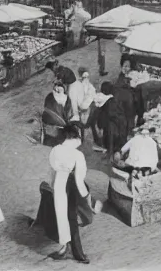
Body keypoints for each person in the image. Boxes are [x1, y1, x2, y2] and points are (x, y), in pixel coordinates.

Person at [44, 125, 92, 264]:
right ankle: (77, 252)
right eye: (77, 137)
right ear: (73, 137)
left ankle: (65, 246)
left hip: (59, 182)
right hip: (71, 185)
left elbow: (53, 167)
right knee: (71, 218)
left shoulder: (55, 150)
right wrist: (86, 194)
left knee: (61, 216)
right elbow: (79, 178)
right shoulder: (78, 155)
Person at [100, 81, 134, 157]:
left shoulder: (113, 96)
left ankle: (113, 152)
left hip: (117, 117)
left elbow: (112, 111)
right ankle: (120, 152)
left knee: (113, 134)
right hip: (122, 116)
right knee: (121, 135)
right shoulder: (117, 91)